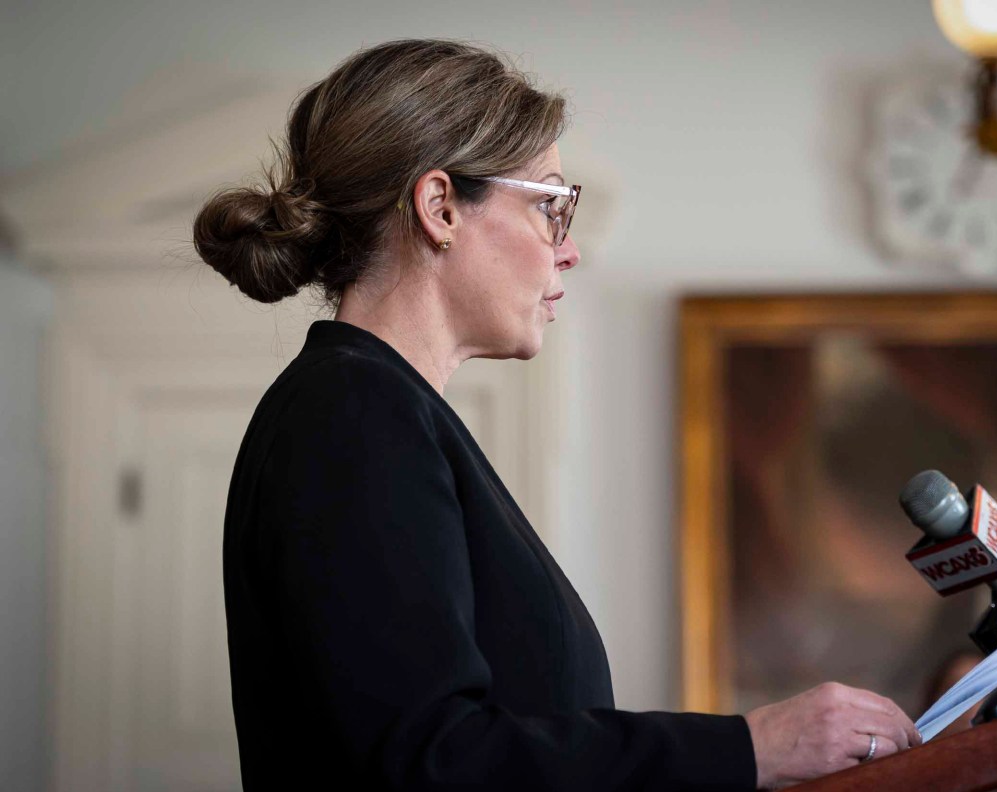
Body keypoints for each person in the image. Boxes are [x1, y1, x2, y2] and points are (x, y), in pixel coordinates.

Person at [194, 39, 920, 791]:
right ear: (440, 207)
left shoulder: (379, 408)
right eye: (550, 206)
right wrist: (748, 748)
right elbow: (429, 762)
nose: (567, 252)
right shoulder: (353, 413)